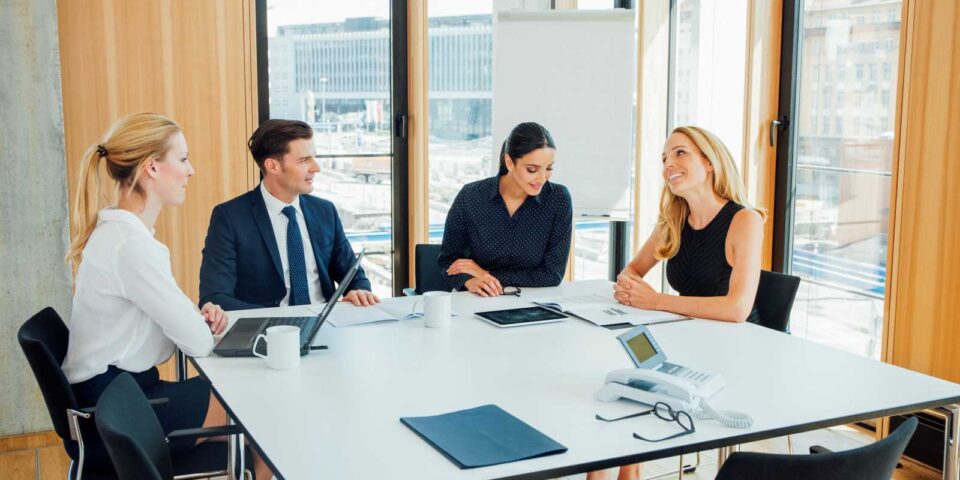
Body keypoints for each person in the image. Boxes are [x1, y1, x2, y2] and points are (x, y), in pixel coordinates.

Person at [61, 113, 270, 479]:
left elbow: (171, 319)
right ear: (152, 168)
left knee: (256, 413)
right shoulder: (131, 247)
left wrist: (196, 315)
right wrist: (197, 324)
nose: (190, 171)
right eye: (183, 158)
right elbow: (197, 344)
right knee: (267, 417)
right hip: (121, 413)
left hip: (115, 399)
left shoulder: (121, 234)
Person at [590, 126, 764, 480]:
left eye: (680, 153)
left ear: (710, 161)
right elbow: (633, 271)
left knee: (638, 384)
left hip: (736, 351)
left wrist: (655, 301)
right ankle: (615, 471)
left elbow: (736, 309)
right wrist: (629, 288)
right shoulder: (674, 219)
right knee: (620, 381)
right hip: (690, 337)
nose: (669, 163)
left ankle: (622, 473)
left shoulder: (744, 220)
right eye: (665, 158)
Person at [199, 119, 378, 311]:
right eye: (304, 160)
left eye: (313, 158)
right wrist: (278, 321)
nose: (316, 168)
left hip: (324, 323)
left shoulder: (325, 211)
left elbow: (353, 275)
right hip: (268, 332)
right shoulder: (230, 217)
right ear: (273, 166)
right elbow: (215, 297)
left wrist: (359, 290)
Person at [438, 122, 572, 296]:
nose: (542, 178)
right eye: (532, 169)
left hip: (534, 301)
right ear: (509, 162)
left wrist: (483, 274)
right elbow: (448, 261)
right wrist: (470, 280)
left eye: (549, 168)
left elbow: (552, 275)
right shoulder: (471, 196)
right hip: (475, 298)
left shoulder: (558, 199)